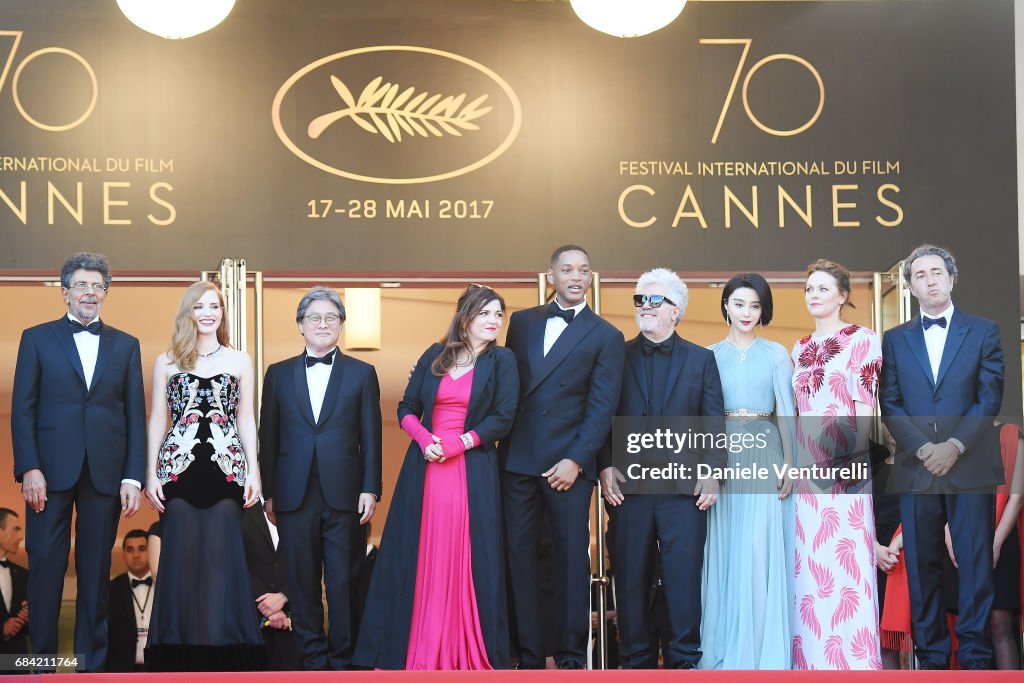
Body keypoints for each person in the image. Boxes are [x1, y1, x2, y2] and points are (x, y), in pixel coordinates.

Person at [355, 284, 519, 669]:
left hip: (471, 467)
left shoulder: (503, 361)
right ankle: (419, 649)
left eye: (499, 314)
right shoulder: (436, 355)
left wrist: (458, 444)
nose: (494, 321)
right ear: (465, 316)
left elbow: (503, 418)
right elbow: (407, 407)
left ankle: (464, 650)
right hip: (425, 467)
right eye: (486, 313)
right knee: (420, 553)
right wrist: (426, 439)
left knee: (468, 555)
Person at [11, 252, 146, 671]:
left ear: (106, 293)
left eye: (98, 286)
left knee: (95, 571)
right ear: (65, 292)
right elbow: (23, 409)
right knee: (46, 570)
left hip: (105, 473)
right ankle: (42, 667)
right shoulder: (36, 338)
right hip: (47, 474)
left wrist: (132, 476)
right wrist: (29, 466)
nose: (90, 293)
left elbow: (134, 417)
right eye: (82, 286)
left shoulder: (127, 345)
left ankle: (93, 668)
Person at [880, 244, 1005, 670]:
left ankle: (974, 659)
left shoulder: (984, 330)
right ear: (911, 286)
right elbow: (891, 404)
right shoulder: (895, 339)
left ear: (953, 278)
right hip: (918, 468)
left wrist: (953, 447)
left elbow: (989, 399)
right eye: (920, 275)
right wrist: (924, 449)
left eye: (937, 272)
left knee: (974, 567)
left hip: (969, 464)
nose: (930, 280)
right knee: (921, 567)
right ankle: (931, 660)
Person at [500, 245, 625, 670]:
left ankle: (572, 657)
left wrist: (576, 459)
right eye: (567, 269)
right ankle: (530, 656)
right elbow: (508, 387)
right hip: (518, 461)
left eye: (584, 270)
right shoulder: (521, 322)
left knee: (572, 560)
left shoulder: (606, 335)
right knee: (519, 558)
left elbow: (602, 406)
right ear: (550, 274)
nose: (576, 276)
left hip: (570, 466)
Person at [599, 268, 724, 669]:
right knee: (630, 582)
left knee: (682, 582)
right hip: (628, 489)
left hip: (684, 492)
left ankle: (683, 663)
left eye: (655, 300)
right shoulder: (615, 354)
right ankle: (633, 664)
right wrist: (603, 467)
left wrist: (713, 472)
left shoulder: (702, 360)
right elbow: (601, 415)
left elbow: (713, 421)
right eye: (640, 300)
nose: (645, 307)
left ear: (676, 311)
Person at [144, 280, 265, 670]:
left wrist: (254, 472)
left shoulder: (240, 360)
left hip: (227, 469)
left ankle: (223, 650)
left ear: (222, 313)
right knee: (182, 558)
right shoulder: (165, 361)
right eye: (199, 307)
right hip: (177, 470)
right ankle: (179, 652)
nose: (208, 313)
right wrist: (151, 473)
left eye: (214, 306)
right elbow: (156, 422)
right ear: (188, 313)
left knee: (221, 558)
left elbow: (246, 419)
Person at [259, 286, 382, 670]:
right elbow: (269, 437)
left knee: (343, 582)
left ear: (342, 325)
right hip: (293, 496)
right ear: (300, 325)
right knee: (302, 581)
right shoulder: (277, 374)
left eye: (332, 317)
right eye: (315, 317)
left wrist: (371, 488)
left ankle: (343, 661)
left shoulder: (363, 373)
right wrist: (269, 493)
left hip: (345, 494)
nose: (323, 324)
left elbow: (371, 436)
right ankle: (312, 661)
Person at [791, 259, 883, 670]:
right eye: (810, 288)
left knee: (847, 568)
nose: (814, 295)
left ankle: (856, 666)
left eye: (823, 289)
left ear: (843, 296)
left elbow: (866, 410)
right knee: (809, 572)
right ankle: (811, 664)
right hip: (806, 470)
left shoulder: (863, 340)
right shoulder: (800, 347)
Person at [700, 273, 795, 669]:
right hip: (722, 457)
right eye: (739, 304)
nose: (747, 312)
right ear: (725, 305)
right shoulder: (708, 354)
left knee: (758, 552)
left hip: (764, 451)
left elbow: (786, 411)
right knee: (723, 553)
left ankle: (762, 657)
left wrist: (792, 462)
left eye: (755, 306)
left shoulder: (775, 353)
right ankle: (722, 655)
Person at [242, 500, 303, 670]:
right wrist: (267, 606)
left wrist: (285, 595)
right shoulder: (239, 506)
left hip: (295, 622)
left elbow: (310, 561)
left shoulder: (301, 505)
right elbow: (232, 561)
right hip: (248, 621)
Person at [106, 529, 152, 671]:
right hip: (121, 670)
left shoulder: (166, 586)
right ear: (124, 554)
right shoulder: (110, 589)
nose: (136, 555)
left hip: (161, 670)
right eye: (130, 550)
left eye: (142, 549)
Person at [0, 508, 28, 658]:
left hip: (17, 667)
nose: (21, 537)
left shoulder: (24, 575)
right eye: (15, 529)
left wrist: (31, 615)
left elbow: (32, 631)